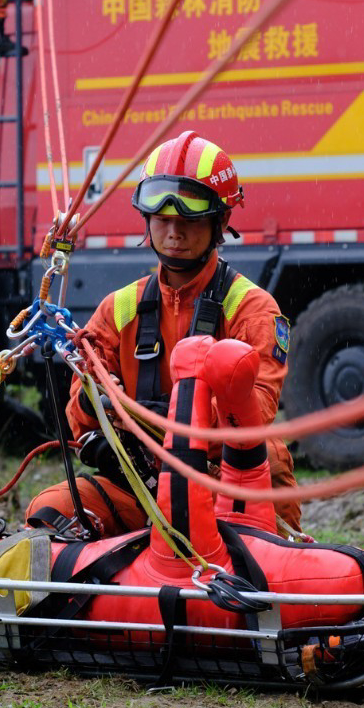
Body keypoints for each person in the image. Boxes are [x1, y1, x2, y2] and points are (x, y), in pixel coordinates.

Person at [25, 130, 301, 535]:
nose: (174, 233)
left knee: (269, 459)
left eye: (188, 221)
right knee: (51, 509)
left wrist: (164, 422)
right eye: (162, 220)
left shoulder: (252, 310)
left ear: (221, 221)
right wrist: (94, 403)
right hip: (140, 489)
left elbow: (255, 413)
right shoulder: (118, 309)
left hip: (223, 488)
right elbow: (79, 417)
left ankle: (265, 557)